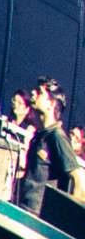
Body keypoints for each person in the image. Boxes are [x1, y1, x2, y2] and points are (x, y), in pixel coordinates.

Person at [16, 79, 84, 217]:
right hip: (24, 209)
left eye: (40, 92)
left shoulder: (57, 136)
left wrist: (70, 216)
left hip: (37, 216)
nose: (33, 93)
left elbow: (79, 179)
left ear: (51, 104)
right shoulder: (39, 135)